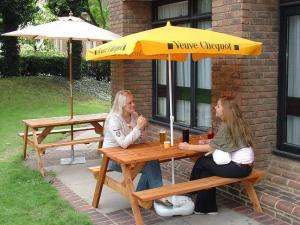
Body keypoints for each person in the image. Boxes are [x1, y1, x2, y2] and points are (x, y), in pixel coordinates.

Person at [178, 96, 255, 215]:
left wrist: (188, 147)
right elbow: (227, 141)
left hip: (238, 168)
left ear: (225, 109)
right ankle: (205, 208)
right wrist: (210, 142)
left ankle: (191, 189)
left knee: (202, 161)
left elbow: (211, 148)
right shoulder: (236, 121)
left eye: (218, 106)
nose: (215, 107)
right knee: (205, 171)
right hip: (246, 167)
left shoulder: (227, 125)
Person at [102, 90, 172, 206]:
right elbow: (123, 144)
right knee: (150, 165)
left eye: (133, 101)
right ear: (121, 105)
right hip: (112, 159)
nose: (134, 104)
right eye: (130, 103)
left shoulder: (134, 116)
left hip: (130, 154)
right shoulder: (113, 120)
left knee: (152, 161)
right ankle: (157, 196)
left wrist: (143, 128)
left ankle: (144, 195)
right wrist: (137, 128)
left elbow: (143, 140)